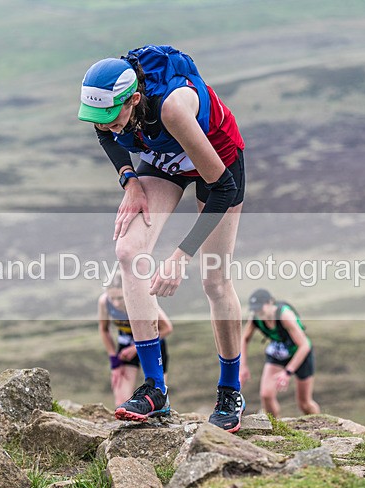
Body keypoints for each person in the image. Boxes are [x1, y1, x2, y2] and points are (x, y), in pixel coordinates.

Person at [77, 45, 246, 431]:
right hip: (164, 157)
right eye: (98, 119)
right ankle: (155, 388)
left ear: (134, 100)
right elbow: (105, 135)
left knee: (214, 281)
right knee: (128, 250)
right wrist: (129, 180)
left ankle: (230, 391)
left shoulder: (171, 108)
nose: (106, 126)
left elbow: (223, 187)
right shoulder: (107, 107)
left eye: (112, 118)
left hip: (216, 162)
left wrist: (181, 256)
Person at [240, 289, 320, 418]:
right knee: (266, 395)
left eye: (260, 308)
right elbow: (244, 338)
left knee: (304, 403)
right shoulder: (256, 317)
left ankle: (320, 423)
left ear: (270, 302)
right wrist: (243, 366)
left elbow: (304, 345)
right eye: (255, 309)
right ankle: (274, 425)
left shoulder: (285, 316)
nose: (258, 312)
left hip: (300, 355)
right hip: (278, 353)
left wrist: (287, 372)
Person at [98, 273, 172, 406]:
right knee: (121, 401)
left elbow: (167, 328)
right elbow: (104, 329)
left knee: (158, 397)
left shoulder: (141, 300)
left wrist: (135, 349)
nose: (116, 303)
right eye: (112, 298)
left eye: (120, 298)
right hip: (126, 345)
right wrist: (114, 360)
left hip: (152, 345)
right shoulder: (104, 302)